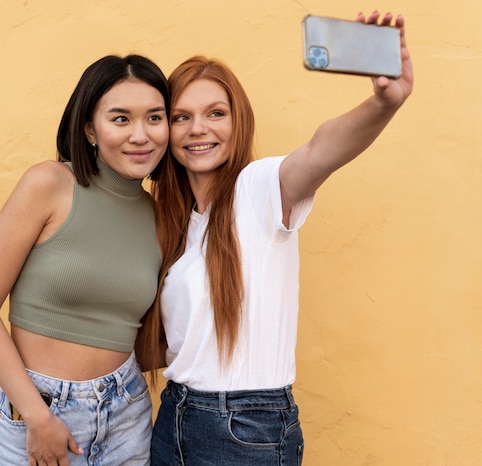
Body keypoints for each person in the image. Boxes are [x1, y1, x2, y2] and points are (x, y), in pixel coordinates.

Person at [137, 11, 414, 465]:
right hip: (173, 418)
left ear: (237, 119)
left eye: (215, 113)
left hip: (246, 430)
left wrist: (385, 103)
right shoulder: (175, 221)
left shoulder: (259, 187)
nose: (198, 129)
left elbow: (321, 150)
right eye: (181, 117)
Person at [0, 54, 170, 466]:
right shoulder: (51, 185)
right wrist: (37, 415)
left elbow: (145, 343)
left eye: (155, 117)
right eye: (121, 119)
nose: (141, 135)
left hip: (126, 414)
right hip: (40, 412)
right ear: (90, 128)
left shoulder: (160, 219)